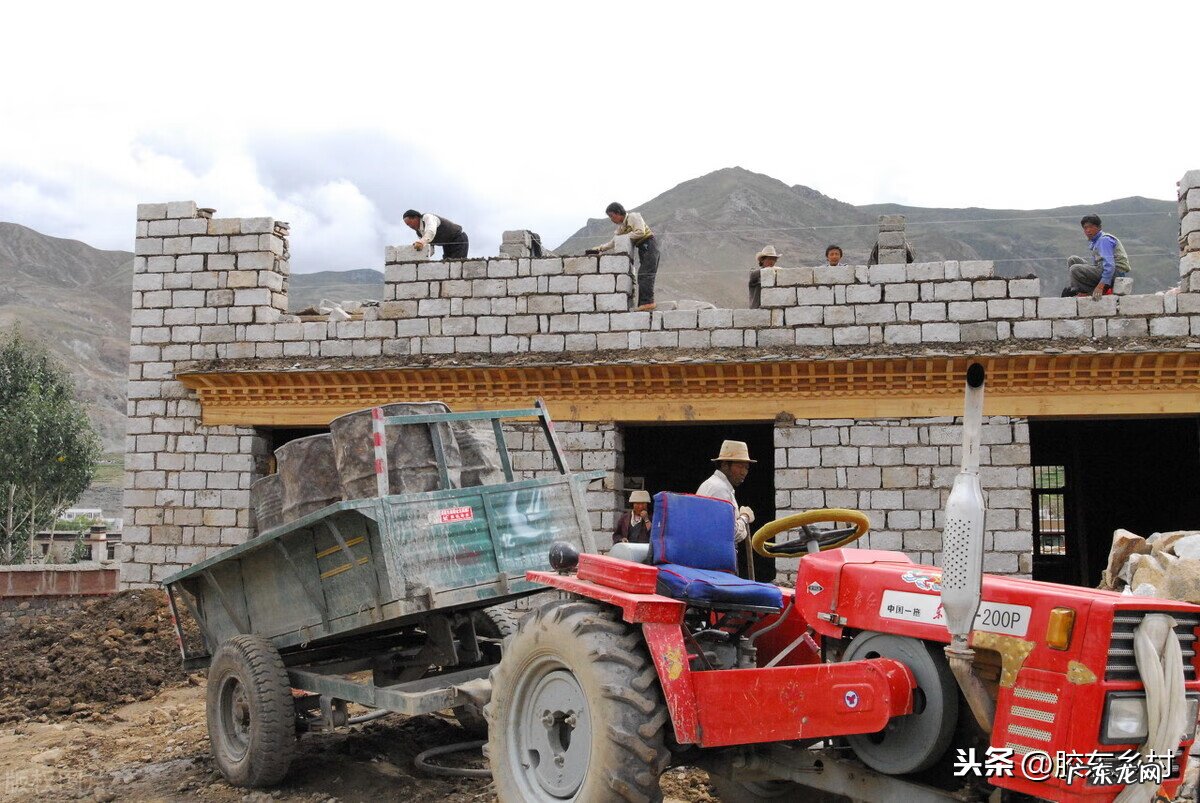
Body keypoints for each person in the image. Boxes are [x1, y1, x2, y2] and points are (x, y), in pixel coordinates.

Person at [696, 440, 773, 582]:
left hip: (709, 561)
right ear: (725, 465)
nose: (744, 472)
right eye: (740, 466)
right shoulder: (720, 489)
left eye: (747, 468)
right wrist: (744, 517)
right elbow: (731, 533)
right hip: (716, 565)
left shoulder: (711, 485)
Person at [584, 202, 659, 311]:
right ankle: (643, 304)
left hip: (649, 244)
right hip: (642, 248)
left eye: (611, 216)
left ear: (618, 212)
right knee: (642, 274)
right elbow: (614, 242)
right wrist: (600, 248)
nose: (611, 219)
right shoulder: (622, 228)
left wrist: (625, 237)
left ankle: (648, 302)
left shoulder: (633, 217)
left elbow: (641, 232)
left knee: (646, 274)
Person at [1063, 214, 1131, 299]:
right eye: (1085, 228)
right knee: (1073, 260)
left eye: (1091, 227)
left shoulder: (1104, 240)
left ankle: (1083, 293)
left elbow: (1110, 266)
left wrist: (1100, 286)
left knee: (1075, 269)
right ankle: (1079, 290)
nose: (1088, 230)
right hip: (1103, 270)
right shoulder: (1096, 241)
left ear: (1099, 227)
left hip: (1115, 273)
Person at [402, 210, 469, 259]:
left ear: (416, 218)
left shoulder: (427, 217)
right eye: (408, 225)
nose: (410, 226)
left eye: (410, 223)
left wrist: (421, 242)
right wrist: (420, 258)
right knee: (447, 266)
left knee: (456, 265)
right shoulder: (419, 233)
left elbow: (431, 232)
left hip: (458, 240)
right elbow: (429, 248)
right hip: (446, 245)